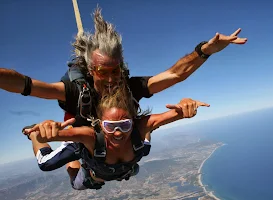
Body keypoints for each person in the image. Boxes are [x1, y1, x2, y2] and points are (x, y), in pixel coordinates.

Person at [0, 7, 246, 172]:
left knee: (138, 153)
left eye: (115, 71)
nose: (110, 79)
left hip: (121, 141)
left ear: (122, 67)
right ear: (90, 69)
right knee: (62, 169)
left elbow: (175, 74)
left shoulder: (131, 86)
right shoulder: (74, 91)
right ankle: (34, 134)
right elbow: (26, 85)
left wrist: (204, 51)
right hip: (84, 137)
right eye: (101, 71)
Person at [23, 85, 210, 190]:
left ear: (132, 121)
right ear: (100, 124)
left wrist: (186, 106)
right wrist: (41, 131)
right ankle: (69, 158)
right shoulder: (90, 136)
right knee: (55, 169)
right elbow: (56, 133)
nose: (118, 132)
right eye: (111, 127)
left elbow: (174, 113)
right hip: (91, 158)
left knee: (142, 145)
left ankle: (134, 140)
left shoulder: (140, 126)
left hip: (120, 165)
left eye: (125, 125)